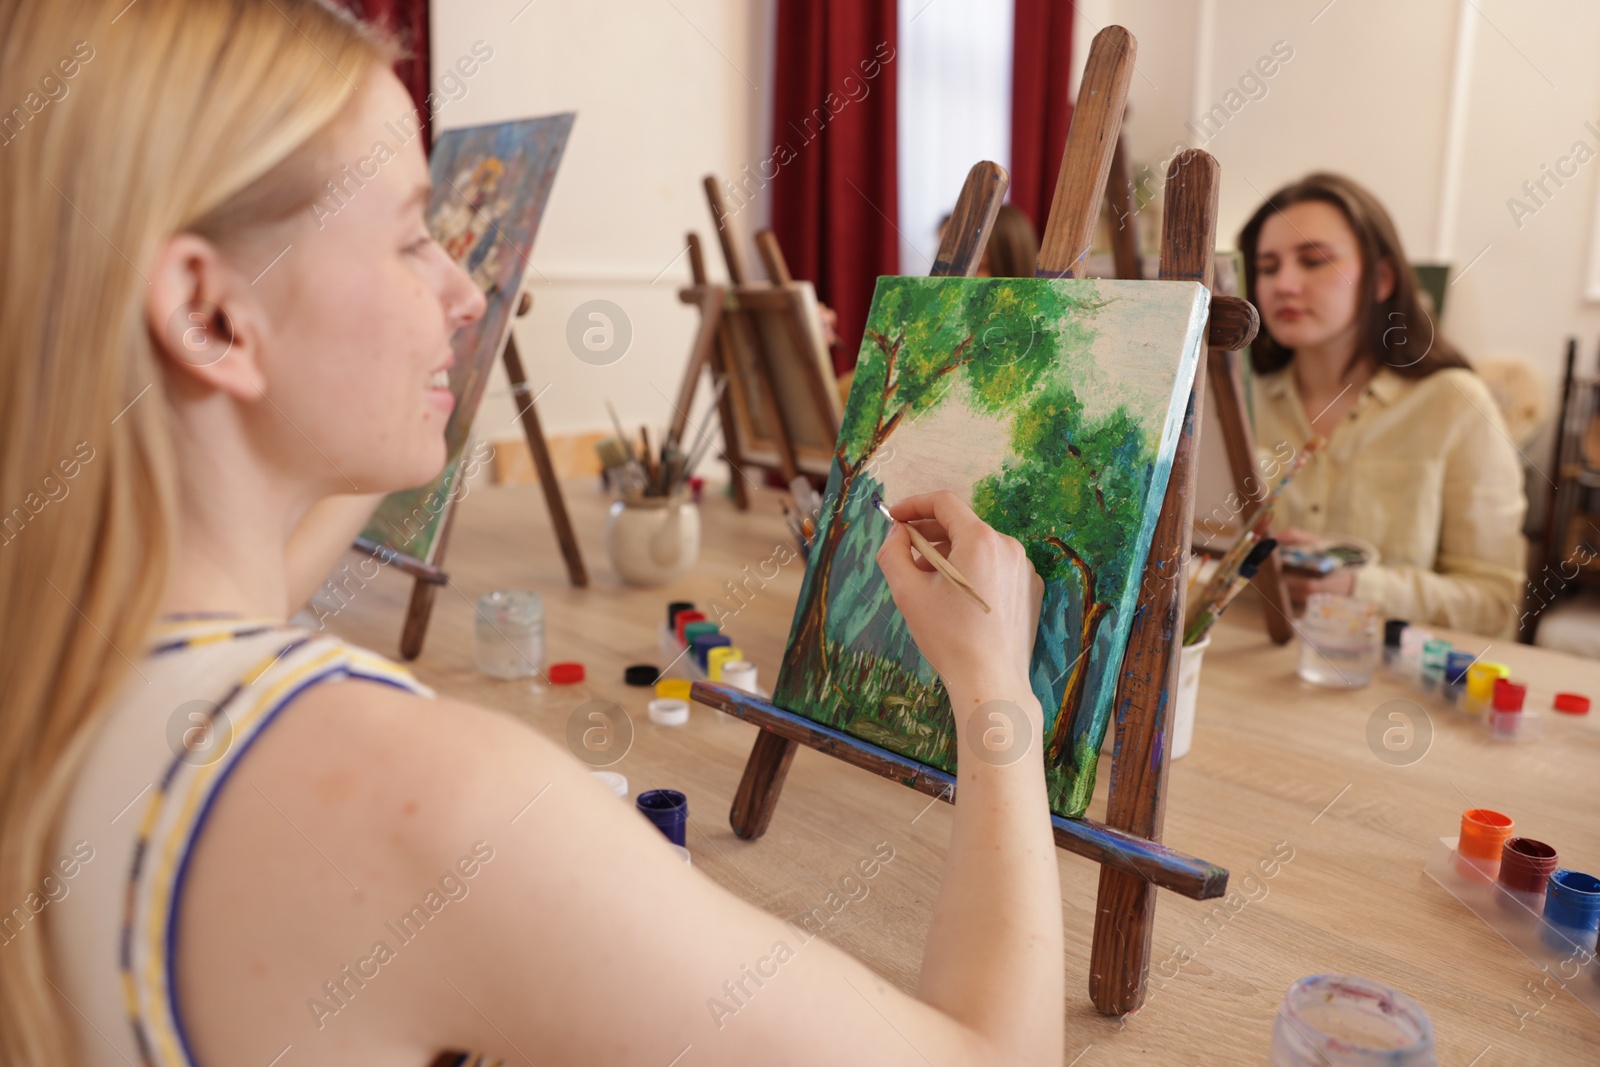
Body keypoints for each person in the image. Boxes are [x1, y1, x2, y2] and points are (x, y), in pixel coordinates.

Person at [0, 3, 1063, 1066]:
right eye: (417, 235)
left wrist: (385, 403)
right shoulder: (429, 806)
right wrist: (994, 690)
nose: (468, 293)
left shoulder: (62, 670)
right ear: (209, 313)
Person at [1237, 172, 1527, 638]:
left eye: (1313, 261)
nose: (1284, 284)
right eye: (1268, 268)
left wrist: (1358, 585)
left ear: (1383, 278)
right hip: (1241, 671)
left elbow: (1494, 607)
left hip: (1390, 691)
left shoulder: (1456, 406)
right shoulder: (1233, 403)